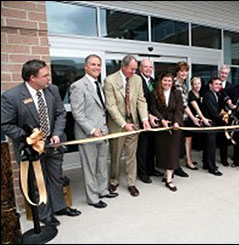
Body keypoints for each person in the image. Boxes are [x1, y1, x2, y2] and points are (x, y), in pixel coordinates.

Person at [1, 59, 81, 227]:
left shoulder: (52, 90)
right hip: (30, 149)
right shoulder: (12, 96)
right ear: (32, 78)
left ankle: (60, 207)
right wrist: (30, 137)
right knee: (38, 181)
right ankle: (45, 215)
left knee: (56, 177)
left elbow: (60, 113)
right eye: (45, 76)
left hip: (54, 145)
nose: (49, 79)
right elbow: (5, 124)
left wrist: (57, 134)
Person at [69, 54, 117, 209]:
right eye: (93, 64)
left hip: (103, 132)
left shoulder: (99, 85)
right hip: (87, 135)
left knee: (102, 164)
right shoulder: (78, 86)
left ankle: (102, 190)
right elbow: (77, 113)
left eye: (99, 65)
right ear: (85, 66)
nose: (97, 67)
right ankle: (92, 198)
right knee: (90, 167)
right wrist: (91, 130)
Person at [104, 55, 151, 197]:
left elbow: (141, 100)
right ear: (123, 67)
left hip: (134, 123)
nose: (134, 72)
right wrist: (124, 125)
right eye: (132, 69)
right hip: (118, 125)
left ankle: (131, 183)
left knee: (132, 155)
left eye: (136, 69)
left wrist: (144, 119)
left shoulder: (137, 80)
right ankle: (114, 181)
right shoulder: (110, 80)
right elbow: (111, 106)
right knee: (116, 155)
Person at [150, 73, 184, 191]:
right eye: (165, 80)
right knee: (163, 151)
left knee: (173, 152)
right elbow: (153, 108)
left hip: (175, 126)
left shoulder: (177, 93)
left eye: (169, 81)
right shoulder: (154, 93)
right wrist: (162, 120)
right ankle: (166, 174)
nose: (167, 83)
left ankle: (169, 179)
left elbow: (180, 109)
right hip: (162, 126)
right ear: (161, 81)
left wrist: (176, 122)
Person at [136, 59, 163, 184]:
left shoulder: (153, 82)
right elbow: (137, 102)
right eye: (145, 67)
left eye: (150, 67)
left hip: (153, 119)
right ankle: (142, 173)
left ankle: (151, 169)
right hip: (141, 119)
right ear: (140, 68)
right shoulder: (136, 80)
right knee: (143, 148)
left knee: (152, 146)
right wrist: (147, 116)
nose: (148, 69)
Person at [174, 61, 200, 178]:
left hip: (185, 117)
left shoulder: (183, 84)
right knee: (176, 143)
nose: (184, 73)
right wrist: (193, 118)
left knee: (188, 139)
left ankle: (188, 160)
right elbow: (183, 104)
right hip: (177, 118)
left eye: (186, 71)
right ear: (177, 72)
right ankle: (176, 167)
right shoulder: (175, 84)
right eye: (182, 71)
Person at [185, 77, 211, 170]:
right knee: (188, 140)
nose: (197, 86)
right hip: (189, 120)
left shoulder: (199, 93)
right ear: (192, 85)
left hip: (195, 119)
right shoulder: (191, 94)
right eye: (195, 84)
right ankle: (188, 160)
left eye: (199, 84)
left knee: (191, 140)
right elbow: (196, 109)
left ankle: (190, 158)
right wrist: (203, 118)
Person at [201, 77, 224, 176]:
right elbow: (214, 113)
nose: (218, 86)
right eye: (216, 84)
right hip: (210, 124)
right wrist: (224, 116)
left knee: (208, 145)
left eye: (220, 84)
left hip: (214, 123)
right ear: (210, 85)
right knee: (211, 146)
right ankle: (212, 168)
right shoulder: (208, 96)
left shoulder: (216, 94)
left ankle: (206, 164)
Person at [217, 65, 233, 167]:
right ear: (219, 72)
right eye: (222, 72)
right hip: (213, 114)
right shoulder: (212, 83)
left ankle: (224, 159)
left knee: (224, 138)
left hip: (225, 116)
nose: (223, 75)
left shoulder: (230, 86)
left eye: (226, 73)